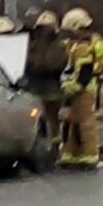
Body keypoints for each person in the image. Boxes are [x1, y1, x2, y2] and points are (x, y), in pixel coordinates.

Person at [59, 8, 103, 169]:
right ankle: (72, 153)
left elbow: (85, 70)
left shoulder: (86, 46)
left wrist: (74, 86)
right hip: (77, 87)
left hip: (85, 88)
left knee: (86, 123)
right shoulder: (80, 44)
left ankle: (89, 155)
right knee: (71, 122)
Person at [24, 10, 65, 147]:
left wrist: (38, 66)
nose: (44, 31)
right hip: (35, 90)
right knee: (35, 121)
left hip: (52, 90)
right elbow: (26, 63)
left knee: (53, 121)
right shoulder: (33, 45)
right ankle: (39, 146)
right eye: (42, 28)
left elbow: (56, 64)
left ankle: (54, 147)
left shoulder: (58, 46)